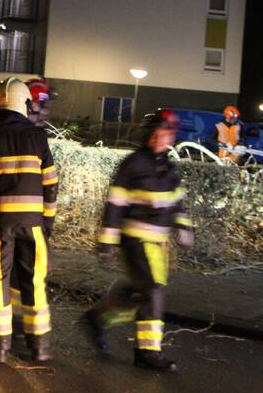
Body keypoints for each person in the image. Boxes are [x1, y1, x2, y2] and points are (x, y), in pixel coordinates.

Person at [81, 110, 193, 372]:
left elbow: (178, 203)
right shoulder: (133, 165)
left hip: (158, 246)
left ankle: (97, 318)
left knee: (138, 292)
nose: (164, 138)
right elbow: (115, 205)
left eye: (169, 134)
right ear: (150, 134)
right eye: (160, 133)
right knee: (152, 292)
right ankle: (147, 352)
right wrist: (107, 243)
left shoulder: (168, 169)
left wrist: (184, 226)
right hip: (135, 241)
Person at [0, 78, 58, 364]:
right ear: (23, 104)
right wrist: (48, 220)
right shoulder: (37, 137)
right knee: (34, 280)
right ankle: (39, 346)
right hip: (33, 223)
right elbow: (50, 183)